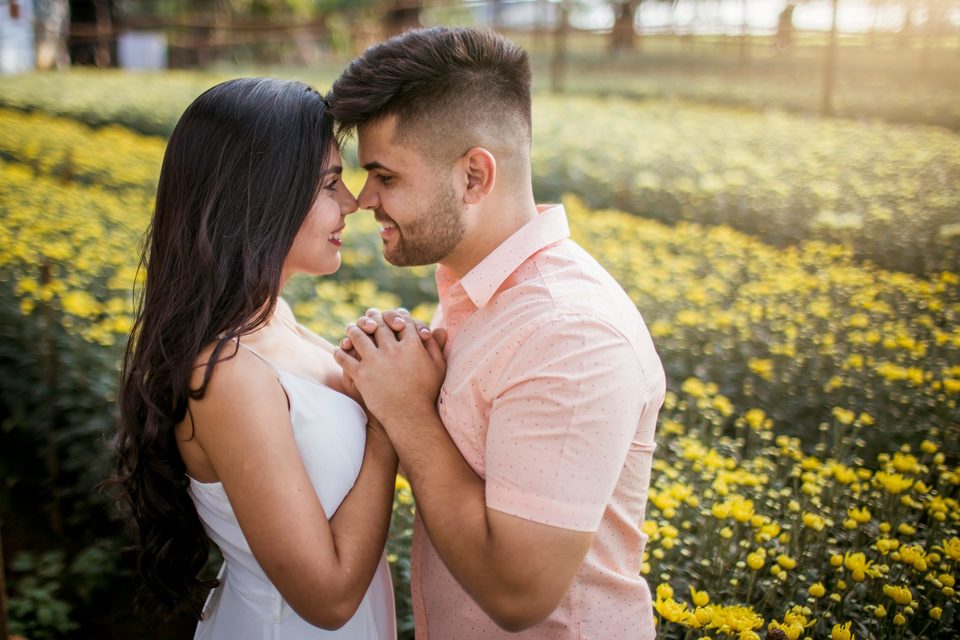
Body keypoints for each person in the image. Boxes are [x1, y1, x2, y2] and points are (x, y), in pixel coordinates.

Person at [329, 27, 666, 640]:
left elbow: (519, 594)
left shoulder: (571, 336)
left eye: (385, 176)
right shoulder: (476, 292)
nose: (361, 198)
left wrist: (408, 411)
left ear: (474, 178)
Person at [112, 77, 399, 639]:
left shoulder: (274, 320)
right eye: (330, 184)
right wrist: (391, 425)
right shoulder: (228, 376)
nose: (353, 202)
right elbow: (329, 597)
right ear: (260, 195)